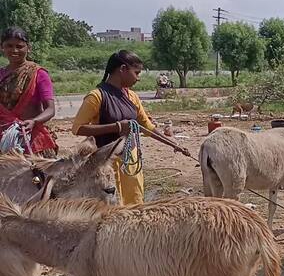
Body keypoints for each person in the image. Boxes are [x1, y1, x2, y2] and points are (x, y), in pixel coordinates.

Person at [72, 50, 186, 205]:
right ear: (123, 69)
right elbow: (78, 128)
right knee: (110, 207)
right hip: (105, 163)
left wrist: (173, 144)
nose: (138, 78)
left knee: (134, 204)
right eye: (136, 73)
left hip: (130, 162)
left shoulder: (132, 97)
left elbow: (146, 127)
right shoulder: (97, 96)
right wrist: (117, 127)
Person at [0, 27, 57, 157]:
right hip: (3, 137)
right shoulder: (1, 74)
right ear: (2, 47)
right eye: (9, 46)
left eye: (19, 46)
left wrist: (34, 121)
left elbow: (50, 109)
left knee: (35, 176)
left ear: (28, 48)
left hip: (29, 137)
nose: (14, 50)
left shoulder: (39, 74)